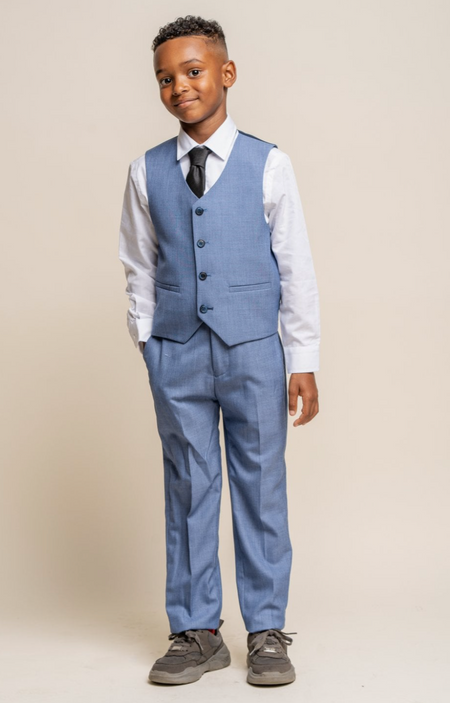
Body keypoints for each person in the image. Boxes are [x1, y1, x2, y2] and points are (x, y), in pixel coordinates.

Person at [118, 15, 320, 687]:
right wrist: (149, 342)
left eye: (193, 71)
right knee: (188, 485)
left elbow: (295, 264)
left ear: (226, 74)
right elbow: (138, 264)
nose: (180, 86)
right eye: (165, 78)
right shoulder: (146, 171)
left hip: (254, 351)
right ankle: (196, 631)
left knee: (261, 485)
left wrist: (303, 358)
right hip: (176, 353)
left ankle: (266, 629)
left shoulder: (270, 164)